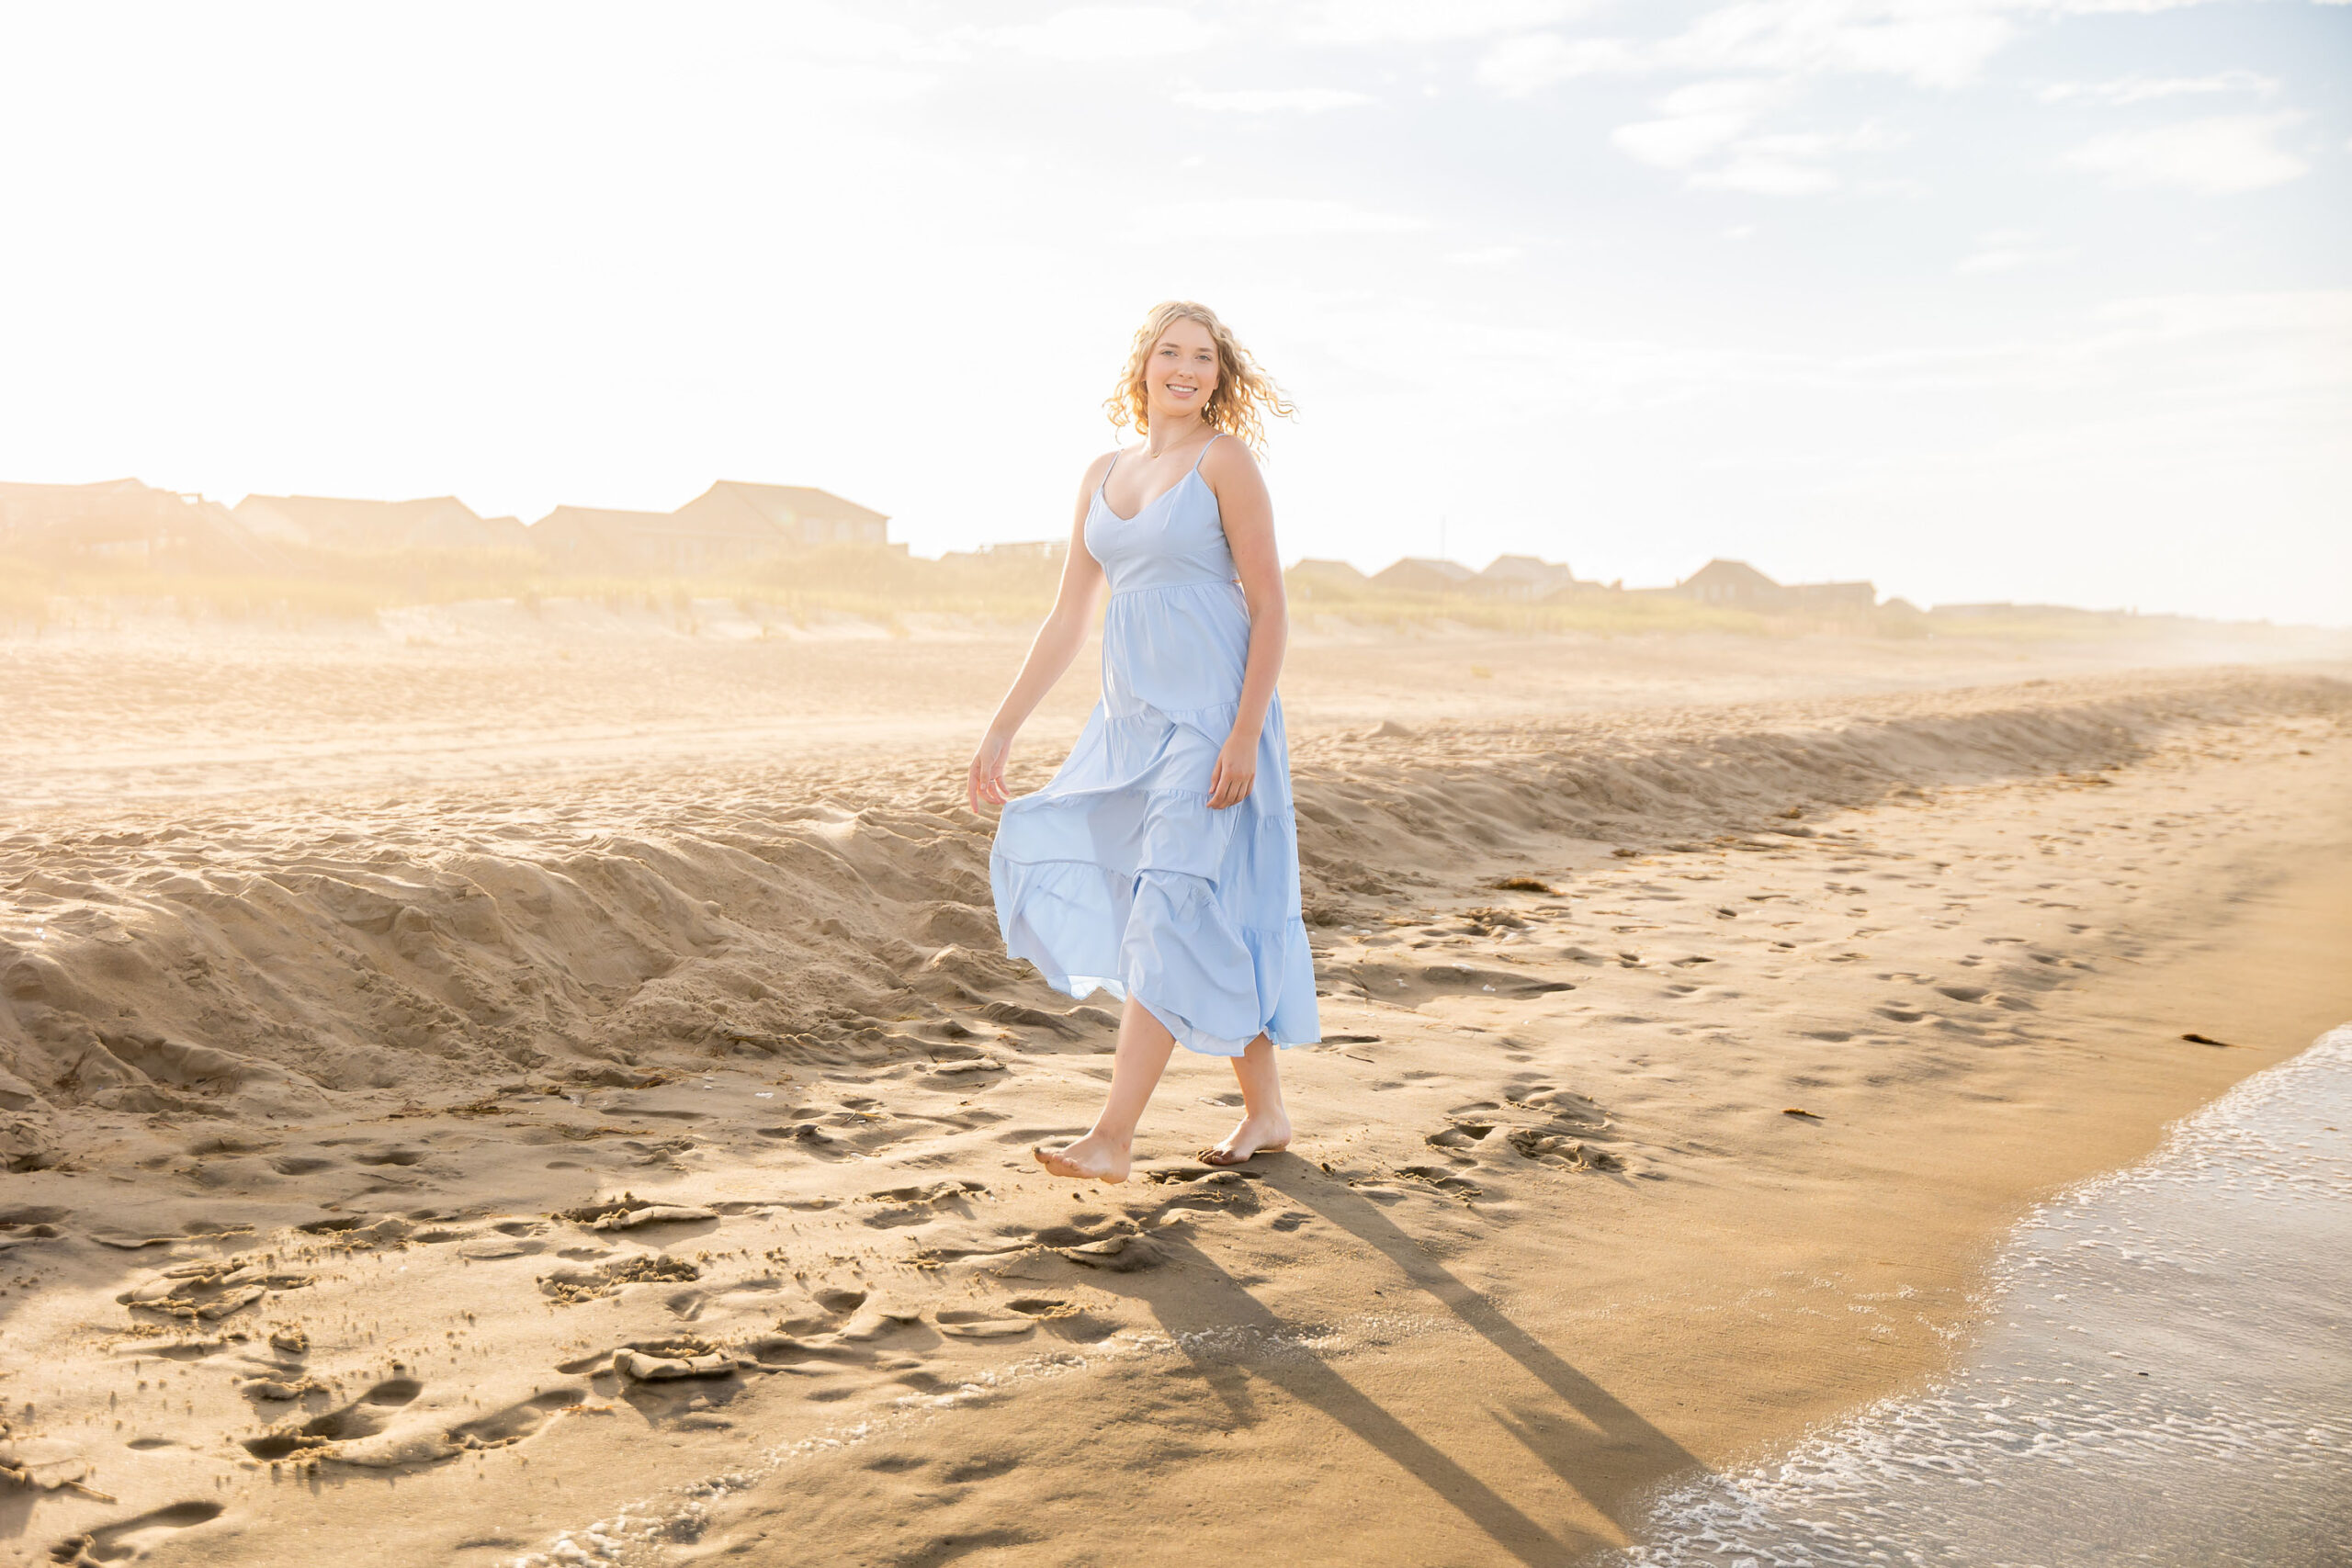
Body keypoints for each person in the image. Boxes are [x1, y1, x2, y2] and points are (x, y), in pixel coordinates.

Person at [967, 300, 1320, 1182]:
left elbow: (1271, 606)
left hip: (1211, 721)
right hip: (1130, 725)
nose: (1186, 369)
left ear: (1220, 377)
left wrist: (1242, 733)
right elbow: (1068, 616)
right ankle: (1266, 1110)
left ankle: (1112, 1137)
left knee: (1168, 904)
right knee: (1188, 907)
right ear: (1144, 366)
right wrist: (1002, 727)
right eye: (1171, 352)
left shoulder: (1225, 461)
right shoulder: (1103, 473)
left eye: (1204, 357)